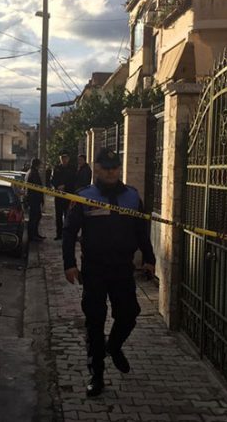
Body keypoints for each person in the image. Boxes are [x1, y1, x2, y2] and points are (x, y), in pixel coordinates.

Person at [62, 148, 156, 397]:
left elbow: (141, 231)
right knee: (95, 321)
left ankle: (113, 346)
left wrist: (149, 258)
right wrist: (69, 264)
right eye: (106, 168)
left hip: (122, 268)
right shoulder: (84, 196)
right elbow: (69, 233)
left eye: (114, 167)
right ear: (97, 168)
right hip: (94, 269)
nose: (111, 172)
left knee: (129, 314)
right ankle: (97, 374)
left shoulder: (132, 197)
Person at [51, 152, 76, 240]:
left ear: (68, 159)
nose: (64, 160)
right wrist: (57, 186)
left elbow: (74, 180)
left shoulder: (72, 168)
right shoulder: (56, 168)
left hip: (68, 194)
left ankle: (67, 234)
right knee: (58, 215)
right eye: (62, 158)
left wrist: (65, 186)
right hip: (58, 195)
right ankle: (59, 234)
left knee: (68, 215)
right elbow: (52, 179)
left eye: (65, 158)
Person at [26, 157, 45, 242]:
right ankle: (32, 236)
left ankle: (35, 234)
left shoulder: (32, 172)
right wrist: (40, 198)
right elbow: (36, 187)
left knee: (37, 216)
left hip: (34, 199)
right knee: (34, 218)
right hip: (34, 199)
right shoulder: (33, 173)